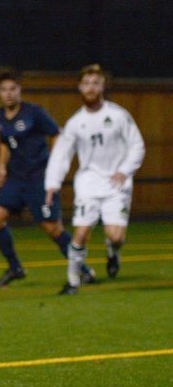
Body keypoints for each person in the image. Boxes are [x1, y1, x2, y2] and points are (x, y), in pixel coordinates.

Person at [45, 64, 145, 295]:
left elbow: (137, 145)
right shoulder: (75, 123)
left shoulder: (118, 115)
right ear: (80, 87)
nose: (91, 88)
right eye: (87, 83)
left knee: (116, 235)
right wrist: (52, 184)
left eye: (95, 83)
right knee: (80, 233)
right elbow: (61, 155)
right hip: (88, 183)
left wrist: (125, 170)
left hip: (116, 184)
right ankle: (72, 281)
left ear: (102, 86)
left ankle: (113, 252)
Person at [0, 72, 94, 287]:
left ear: (19, 90)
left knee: (53, 228)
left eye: (12, 89)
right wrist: (0, 167)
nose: (8, 94)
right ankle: (15, 268)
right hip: (16, 179)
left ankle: (83, 270)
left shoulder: (34, 113)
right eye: (4, 90)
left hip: (39, 178)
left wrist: (55, 165)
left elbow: (57, 134)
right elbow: (5, 143)